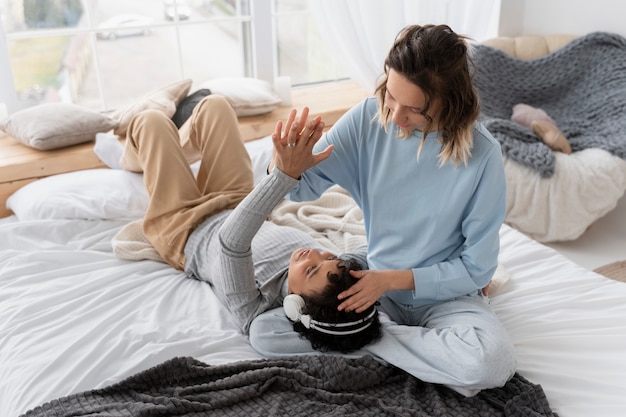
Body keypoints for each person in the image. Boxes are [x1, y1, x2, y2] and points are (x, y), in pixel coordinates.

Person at [250, 24, 516, 396]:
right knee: (266, 332)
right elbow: (305, 186)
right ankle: (399, 346)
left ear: (449, 103)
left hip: (443, 297)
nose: (394, 117)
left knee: (491, 362)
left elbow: (477, 268)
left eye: (414, 110)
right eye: (391, 96)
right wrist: (284, 167)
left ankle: (368, 341)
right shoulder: (367, 119)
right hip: (370, 288)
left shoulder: (483, 157)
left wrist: (388, 281)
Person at [116, 93, 382, 353]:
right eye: (328, 258)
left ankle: (132, 156)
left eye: (311, 270)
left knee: (151, 121)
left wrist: (284, 176)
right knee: (216, 105)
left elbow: (232, 242)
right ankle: (172, 148)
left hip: (185, 225)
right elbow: (382, 250)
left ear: (296, 306)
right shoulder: (339, 281)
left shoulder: (254, 305)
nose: (314, 254)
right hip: (236, 202)